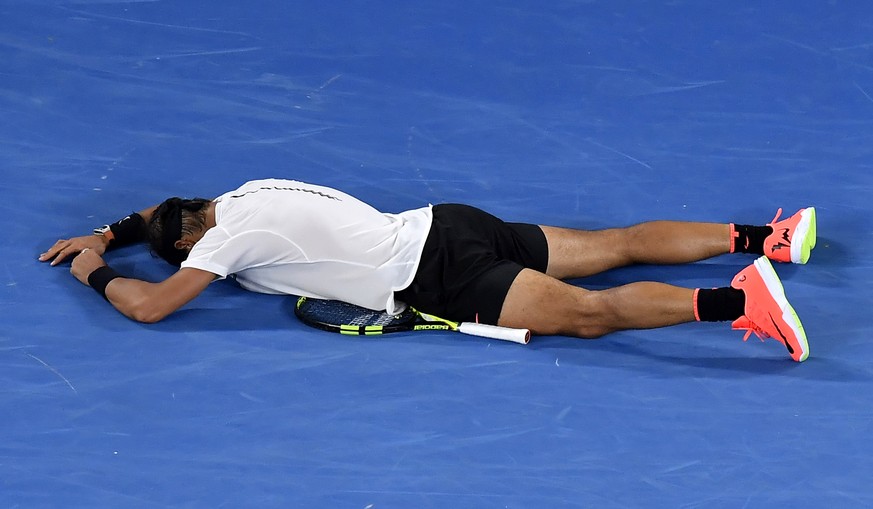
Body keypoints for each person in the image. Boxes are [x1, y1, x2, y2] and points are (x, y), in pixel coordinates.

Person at [39, 178, 816, 362]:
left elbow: (149, 308)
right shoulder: (240, 194)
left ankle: (734, 301)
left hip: (437, 275)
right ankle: (766, 237)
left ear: (188, 248)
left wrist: (93, 264)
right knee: (614, 243)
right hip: (451, 223)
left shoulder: (217, 251)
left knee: (588, 314)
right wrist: (113, 225)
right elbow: (159, 214)